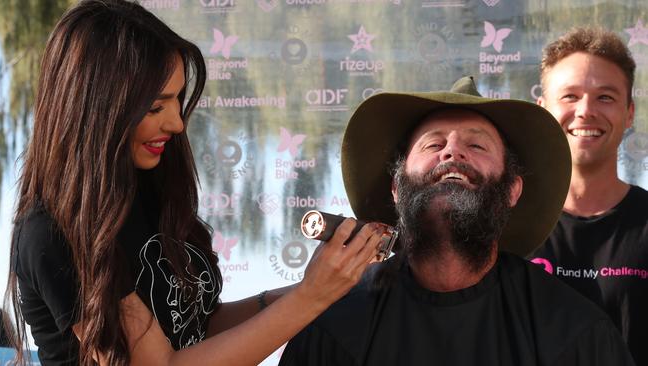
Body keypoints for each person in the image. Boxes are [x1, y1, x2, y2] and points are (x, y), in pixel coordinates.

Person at [4, 1, 383, 365]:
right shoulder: (51, 233)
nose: (177, 123)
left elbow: (199, 329)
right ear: (97, 109)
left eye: (178, 101)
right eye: (155, 107)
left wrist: (327, 283)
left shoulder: (147, 188)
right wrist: (311, 298)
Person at [278, 76, 636, 365]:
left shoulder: (572, 331)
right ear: (396, 189)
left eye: (477, 146)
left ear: (512, 189)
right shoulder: (336, 326)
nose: (451, 151)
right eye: (433, 145)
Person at [529, 27, 648, 365]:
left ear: (629, 113)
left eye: (605, 97)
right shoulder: (507, 227)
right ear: (542, 110)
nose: (586, 110)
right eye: (570, 96)